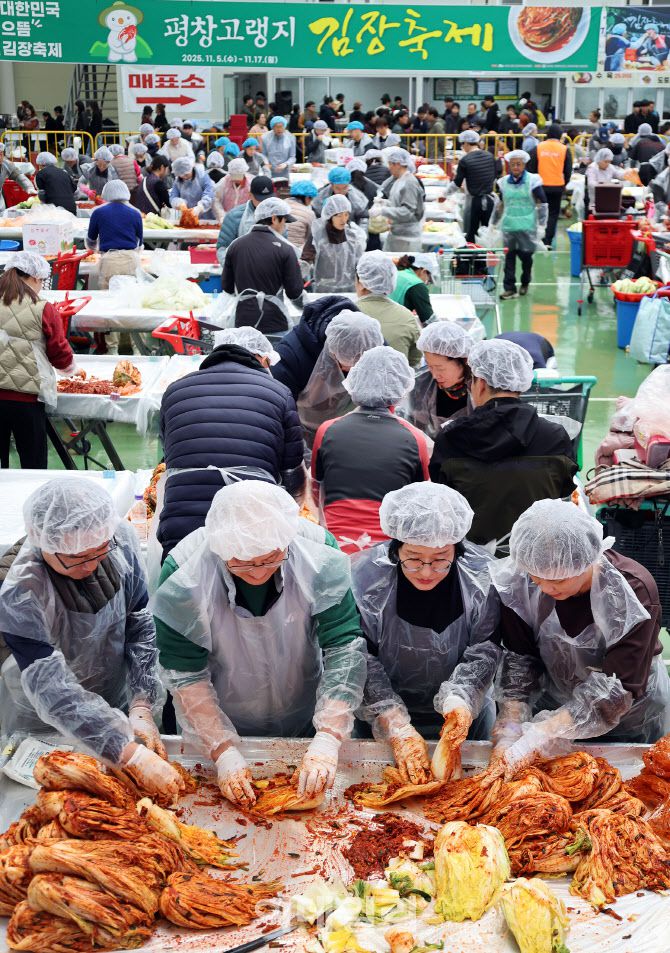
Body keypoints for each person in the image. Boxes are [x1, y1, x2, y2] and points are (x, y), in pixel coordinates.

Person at [153, 480, 367, 805]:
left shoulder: (318, 552)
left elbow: (344, 646)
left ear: (287, 539)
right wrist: (222, 750)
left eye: (270, 559)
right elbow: (184, 672)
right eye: (241, 562)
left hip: (304, 708)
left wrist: (328, 736)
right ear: (220, 547)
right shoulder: (185, 572)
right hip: (221, 716)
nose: (257, 573)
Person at [0, 479, 183, 800]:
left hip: (112, 698)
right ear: (42, 542)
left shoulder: (119, 539)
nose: (90, 565)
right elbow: (51, 688)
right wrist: (128, 753)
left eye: (99, 552)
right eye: (76, 557)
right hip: (42, 719)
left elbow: (139, 623)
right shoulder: (21, 590)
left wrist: (141, 703)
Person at [489, 500, 670, 777]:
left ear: (587, 560)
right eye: (536, 578)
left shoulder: (630, 590)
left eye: (558, 580)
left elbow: (618, 687)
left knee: (630, 783)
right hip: (555, 709)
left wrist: (545, 732)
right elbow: (520, 659)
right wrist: (512, 727)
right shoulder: (520, 583)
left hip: (630, 717)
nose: (546, 588)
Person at [352, 483, 501, 774]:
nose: (426, 571)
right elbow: (360, 655)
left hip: (465, 716)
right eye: (413, 558)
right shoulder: (366, 577)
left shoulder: (483, 576)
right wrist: (393, 722)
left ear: (457, 549)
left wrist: (460, 701)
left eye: (440, 559)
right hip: (381, 718)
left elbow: (486, 650)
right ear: (396, 548)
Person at [157, 327, 305, 558]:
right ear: (260, 357)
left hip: (182, 522)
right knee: (251, 574)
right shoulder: (279, 393)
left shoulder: (175, 391)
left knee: (184, 577)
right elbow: (292, 471)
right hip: (252, 524)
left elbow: (170, 454)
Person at [429, 339, 577, 551]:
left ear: (480, 383)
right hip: (536, 558)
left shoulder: (451, 438)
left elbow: (443, 499)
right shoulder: (555, 437)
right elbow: (564, 491)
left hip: (471, 560)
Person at [312, 346, 429, 554]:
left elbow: (315, 490)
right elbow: (420, 500)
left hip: (335, 547)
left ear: (356, 380)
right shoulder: (415, 438)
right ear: (402, 387)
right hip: (386, 552)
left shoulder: (327, 430)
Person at [0, 252, 78, 468]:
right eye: (42, 281)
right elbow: (59, 354)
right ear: (34, 278)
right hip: (26, 398)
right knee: (33, 464)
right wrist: (71, 370)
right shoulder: (42, 308)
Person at [297, 310, 384, 448]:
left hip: (351, 432)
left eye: (358, 363)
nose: (348, 369)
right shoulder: (295, 354)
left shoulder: (376, 348)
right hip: (307, 429)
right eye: (347, 362)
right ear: (331, 350)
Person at [222, 197, 303, 333]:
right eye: (284, 221)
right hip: (274, 321)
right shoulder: (286, 249)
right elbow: (294, 292)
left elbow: (227, 287)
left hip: (244, 321)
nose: (285, 227)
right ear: (274, 219)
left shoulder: (235, 246)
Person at [86, 180, 143, 356]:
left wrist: (96, 249)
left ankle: (112, 349)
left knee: (110, 304)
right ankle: (137, 348)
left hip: (109, 260)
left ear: (106, 193)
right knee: (132, 302)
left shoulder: (98, 212)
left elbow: (91, 240)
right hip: (131, 260)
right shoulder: (135, 213)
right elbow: (139, 241)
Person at [273, 295, 361, 400]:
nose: (348, 368)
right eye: (347, 359)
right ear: (331, 347)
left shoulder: (366, 337)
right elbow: (280, 401)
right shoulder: (289, 355)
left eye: (358, 358)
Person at [398, 320, 472, 440]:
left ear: (464, 360)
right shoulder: (420, 385)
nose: (434, 375)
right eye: (430, 366)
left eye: (440, 368)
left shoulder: (481, 386)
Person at [496, 150, 547, 299]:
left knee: (526, 257)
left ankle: (525, 282)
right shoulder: (503, 182)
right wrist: (493, 223)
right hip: (509, 225)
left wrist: (542, 225)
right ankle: (509, 288)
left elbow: (543, 203)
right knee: (509, 258)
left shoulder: (533, 181)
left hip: (527, 226)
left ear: (524, 165)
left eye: (518, 164)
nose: (515, 167)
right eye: (512, 164)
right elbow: (500, 204)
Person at [355, 251, 421, 366]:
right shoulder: (407, 317)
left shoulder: (347, 315)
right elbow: (414, 362)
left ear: (361, 282)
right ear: (391, 280)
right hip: (398, 378)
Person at [301, 194, 366, 294]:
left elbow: (360, 264)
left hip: (350, 290)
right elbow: (306, 260)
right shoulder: (317, 236)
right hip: (323, 291)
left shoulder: (353, 236)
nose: (343, 219)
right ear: (329, 215)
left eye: (346, 214)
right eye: (339, 215)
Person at [526, 124, 572, 249]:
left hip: (540, 186)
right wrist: (564, 183)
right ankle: (547, 241)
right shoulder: (564, 149)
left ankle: (536, 238)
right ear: (560, 135)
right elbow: (568, 170)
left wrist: (534, 183)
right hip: (557, 186)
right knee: (552, 214)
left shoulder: (538, 147)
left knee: (538, 212)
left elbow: (531, 167)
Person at [451, 130, 497, 244]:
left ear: (467, 143)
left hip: (474, 202)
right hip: (490, 200)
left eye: (462, 144)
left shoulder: (465, 160)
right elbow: (494, 176)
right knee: (487, 233)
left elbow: (457, 183)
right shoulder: (490, 156)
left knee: (470, 233)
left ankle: (472, 254)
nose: (462, 147)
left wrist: (444, 194)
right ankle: (487, 254)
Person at [215, 174, 274, 263]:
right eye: (260, 199)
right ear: (250, 195)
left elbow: (283, 246)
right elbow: (222, 248)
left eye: (267, 199)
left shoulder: (278, 216)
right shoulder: (234, 216)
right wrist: (235, 267)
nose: (264, 203)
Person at [379, 148, 425, 253]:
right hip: (398, 234)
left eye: (390, 164)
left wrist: (383, 211)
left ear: (398, 164)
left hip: (407, 238)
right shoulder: (399, 180)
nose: (389, 168)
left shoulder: (409, 182)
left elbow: (407, 212)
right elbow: (399, 203)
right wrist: (386, 203)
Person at [390, 254, 437, 326]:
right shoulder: (416, 284)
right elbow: (429, 321)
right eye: (428, 279)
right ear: (423, 271)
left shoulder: (397, 274)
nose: (427, 282)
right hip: (394, 325)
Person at [212, 158, 251, 222]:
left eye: (238, 175)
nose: (235, 179)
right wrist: (221, 215)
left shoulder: (250, 184)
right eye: (233, 175)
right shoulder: (225, 181)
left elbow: (252, 205)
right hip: (226, 219)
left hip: (243, 220)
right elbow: (215, 199)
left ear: (243, 173)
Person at [286, 180, 317, 250]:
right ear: (307, 198)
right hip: (297, 252)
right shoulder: (309, 213)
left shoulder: (280, 205)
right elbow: (312, 237)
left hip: (277, 249)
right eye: (311, 199)